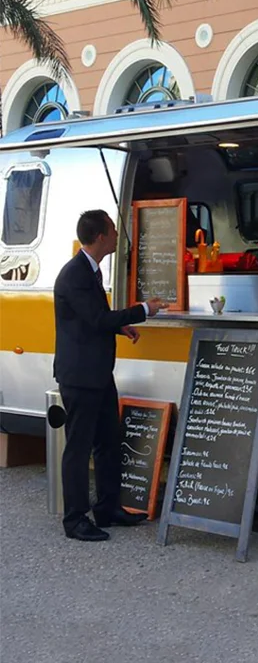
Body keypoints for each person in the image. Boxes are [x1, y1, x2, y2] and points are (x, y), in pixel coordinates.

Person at [54, 210, 165, 541]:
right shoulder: (74, 275)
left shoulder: (91, 271)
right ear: (100, 236)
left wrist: (121, 326)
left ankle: (108, 507)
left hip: (98, 374)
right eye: (114, 230)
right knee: (79, 446)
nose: (118, 235)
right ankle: (74, 518)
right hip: (80, 376)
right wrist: (143, 310)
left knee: (107, 442)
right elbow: (96, 319)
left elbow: (95, 318)